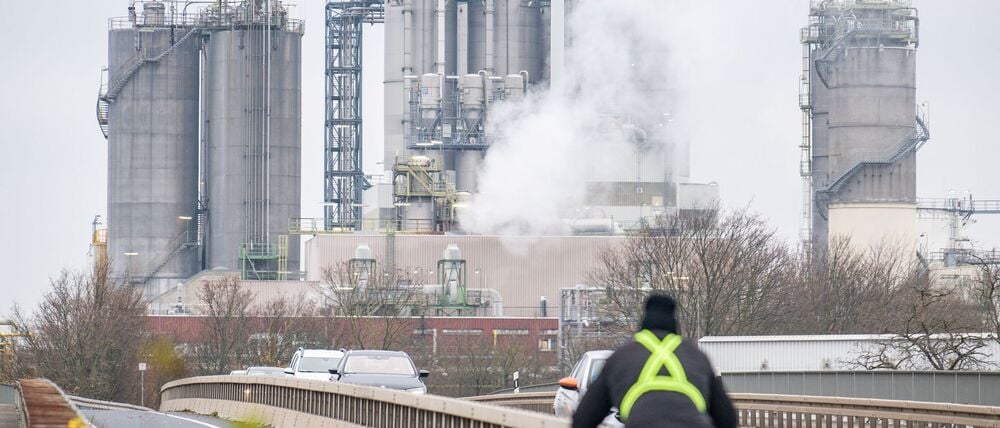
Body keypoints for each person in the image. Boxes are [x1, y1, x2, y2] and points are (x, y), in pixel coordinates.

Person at [572, 295, 737, 428]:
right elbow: (727, 418)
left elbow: (584, 419)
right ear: (674, 323)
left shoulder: (622, 357)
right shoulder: (696, 355)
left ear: (643, 321)